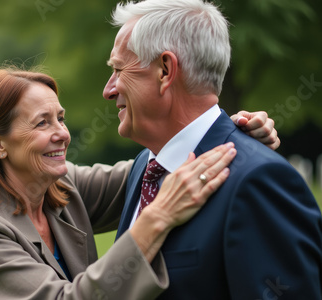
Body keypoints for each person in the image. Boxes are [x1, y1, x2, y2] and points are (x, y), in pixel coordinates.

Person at [0, 66, 284, 299]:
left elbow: (156, 169)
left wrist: (231, 138)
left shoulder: (61, 187)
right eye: (42, 123)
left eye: (60, 118)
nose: (62, 134)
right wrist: (157, 219)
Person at [104, 0, 322, 299]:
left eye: (118, 69)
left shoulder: (259, 181)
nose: (109, 89)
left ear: (165, 71)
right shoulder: (145, 165)